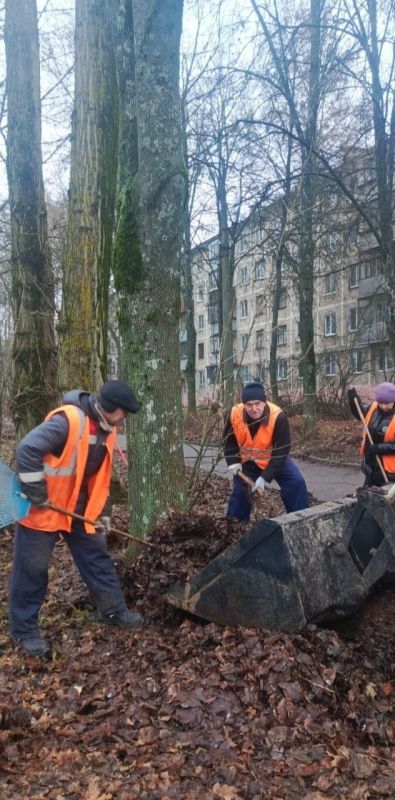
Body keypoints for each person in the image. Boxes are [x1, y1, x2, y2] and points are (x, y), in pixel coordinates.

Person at [9, 380, 144, 657]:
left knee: (98, 560)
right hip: (44, 508)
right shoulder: (67, 421)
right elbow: (26, 450)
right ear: (110, 409)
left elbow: (100, 478)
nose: (125, 420)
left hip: (81, 512)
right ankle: (23, 630)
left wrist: (103, 514)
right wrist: (37, 492)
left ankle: (113, 611)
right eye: (124, 413)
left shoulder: (108, 430)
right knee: (32, 570)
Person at [223, 381, 309, 524]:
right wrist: (233, 462)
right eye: (249, 405)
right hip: (247, 462)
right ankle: (234, 528)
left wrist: (264, 478)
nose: (254, 408)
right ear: (243, 405)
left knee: (296, 483)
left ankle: (301, 521)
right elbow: (228, 440)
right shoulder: (233, 413)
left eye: (257, 403)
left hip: (273, 459)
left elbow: (282, 451)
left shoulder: (278, 416)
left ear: (264, 402)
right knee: (239, 495)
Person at [348, 382, 395, 487]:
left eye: (387, 403)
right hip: (371, 466)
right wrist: (353, 400)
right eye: (380, 402)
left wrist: (379, 448)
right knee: (368, 498)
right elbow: (360, 414)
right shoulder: (374, 407)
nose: (383, 406)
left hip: (389, 472)